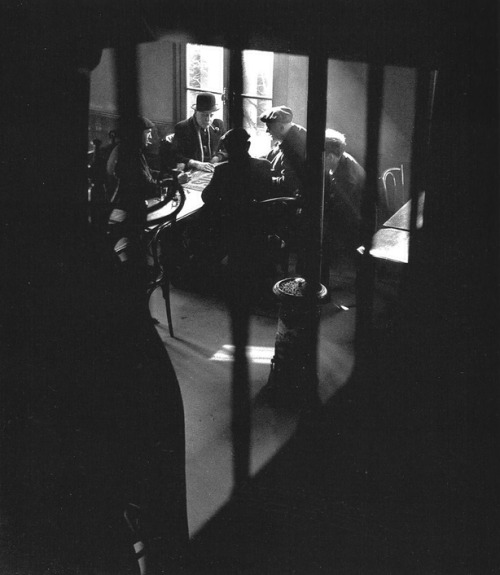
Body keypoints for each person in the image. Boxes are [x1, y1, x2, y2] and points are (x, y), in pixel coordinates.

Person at [106, 116, 161, 274]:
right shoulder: (128, 156)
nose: (150, 137)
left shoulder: (132, 150)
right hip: (122, 210)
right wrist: (168, 182)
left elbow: (147, 175)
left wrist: (167, 175)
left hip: (130, 205)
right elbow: (144, 187)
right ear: (137, 134)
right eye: (147, 133)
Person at [322, 128, 366, 287]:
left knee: (322, 231)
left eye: (322, 157)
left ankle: (325, 279)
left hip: (360, 219)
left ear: (330, 156)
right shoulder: (340, 162)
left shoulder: (346, 175)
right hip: (352, 213)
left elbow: (342, 207)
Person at [259, 105, 307, 198]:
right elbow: (272, 154)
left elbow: (288, 183)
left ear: (281, 128)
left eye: (269, 127)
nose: (267, 131)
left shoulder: (295, 145)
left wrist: (264, 180)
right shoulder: (288, 135)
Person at [173, 92, 226, 173]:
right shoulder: (182, 127)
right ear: (195, 113)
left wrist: (218, 157)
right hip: (192, 170)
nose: (208, 119)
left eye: (211, 115)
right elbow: (176, 156)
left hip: (212, 168)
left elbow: (228, 148)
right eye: (204, 115)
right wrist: (195, 163)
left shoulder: (218, 124)